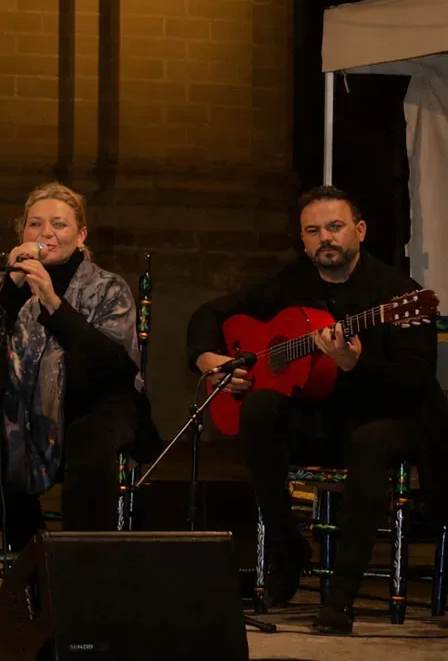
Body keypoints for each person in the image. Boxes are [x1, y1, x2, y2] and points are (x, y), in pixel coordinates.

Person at [186, 185, 448, 634]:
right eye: (313, 230)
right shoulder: (289, 282)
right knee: (259, 408)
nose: (325, 238)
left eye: (334, 226)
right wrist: (208, 359)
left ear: (360, 231)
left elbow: (417, 380)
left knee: (368, 442)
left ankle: (340, 599)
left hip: (389, 419)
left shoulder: (398, 295)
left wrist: (356, 364)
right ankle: (288, 546)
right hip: (321, 420)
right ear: (303, 240)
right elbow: (210, 313)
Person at [0, 182, 158, 551]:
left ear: (81, 235)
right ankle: (36, 553)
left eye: (59, 225)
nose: (46, 233)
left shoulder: (107, 288)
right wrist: (11, 289)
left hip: (95, 406)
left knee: (89, 441)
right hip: (24, 405)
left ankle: (81, 560)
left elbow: (114, 367)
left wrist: (54, 303)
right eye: (35, 224)